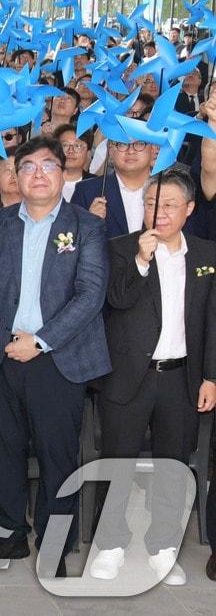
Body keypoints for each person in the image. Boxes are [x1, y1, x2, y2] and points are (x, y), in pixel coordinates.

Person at [0, 135, 110, 577]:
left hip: (57, 357)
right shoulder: (0, 222)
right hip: (1, 353)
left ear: (63, 174)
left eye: (48, 165)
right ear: (16, 177)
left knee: (56, 454)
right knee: (3, 451)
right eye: (28, 167)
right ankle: (10, 535)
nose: (38, 174)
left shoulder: (87, 226)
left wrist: (41, 341)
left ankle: (55, 544)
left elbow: (90, 295)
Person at [92, 168, 216, 586]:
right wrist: (142, 261)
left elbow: (213, 322)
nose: (158, 213)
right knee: (117, 463)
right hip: (129, 376)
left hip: (181, 378)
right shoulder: (120, 249)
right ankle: (109, 544)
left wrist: (211, 377)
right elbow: (116, 299)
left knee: (173, 467)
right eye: (150, 203)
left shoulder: (206, 255)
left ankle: (163, 547)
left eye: (168, 205)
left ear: (189, 209)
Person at [71, 140, 161, 239]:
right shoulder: (87, 191)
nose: (130, 151)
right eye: (122, 144)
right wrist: (89, 223)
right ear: (110, 149)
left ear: (154, 149)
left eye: (139, 144)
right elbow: (69, 242)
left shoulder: (169, 190)